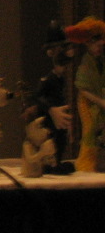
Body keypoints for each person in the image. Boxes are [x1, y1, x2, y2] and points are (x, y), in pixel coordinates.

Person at [27, 21, 75, 173]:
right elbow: (37, 96)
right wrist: (51, 110)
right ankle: (50, 164)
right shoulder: (48, 79)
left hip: (59, 117)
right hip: (49, 118)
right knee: (52, 139)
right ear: (51, 52)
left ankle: (56, 162)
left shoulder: (60, 78)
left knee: (61, 138)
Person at [65, 16, 105, 172]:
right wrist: (100, 102)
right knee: (90, 130)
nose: (99, 49)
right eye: (97, 46)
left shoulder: (100, 61)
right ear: (89, 44)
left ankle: (98, 160)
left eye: (101, 46)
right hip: (88, 102)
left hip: (99, 99)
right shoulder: (86, 63)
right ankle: (87, 161)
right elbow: (83, 88)